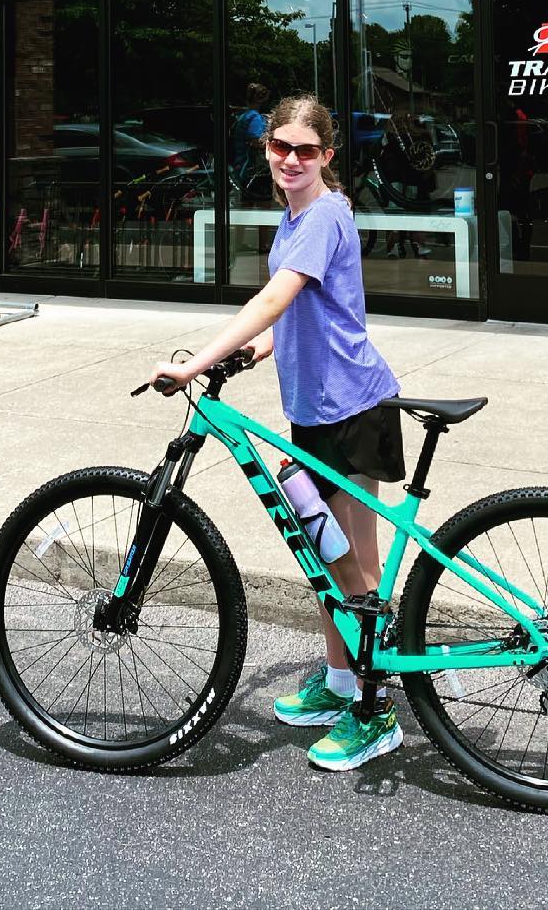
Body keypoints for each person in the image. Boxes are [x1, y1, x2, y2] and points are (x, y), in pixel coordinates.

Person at [149, 93, 406, 774]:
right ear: (265, 148)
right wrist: (257, 353)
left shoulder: (321, 215)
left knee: (352, 561)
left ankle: (374, 710)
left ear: (327, 156)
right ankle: (341, 680)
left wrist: (198, 361)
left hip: (352, 407)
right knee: (326, 555)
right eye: (280, 147)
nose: (292, 160)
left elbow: (275, 299)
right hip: (316, 408)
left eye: (307, 150)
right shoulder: (297, 216)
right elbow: (316, 309)